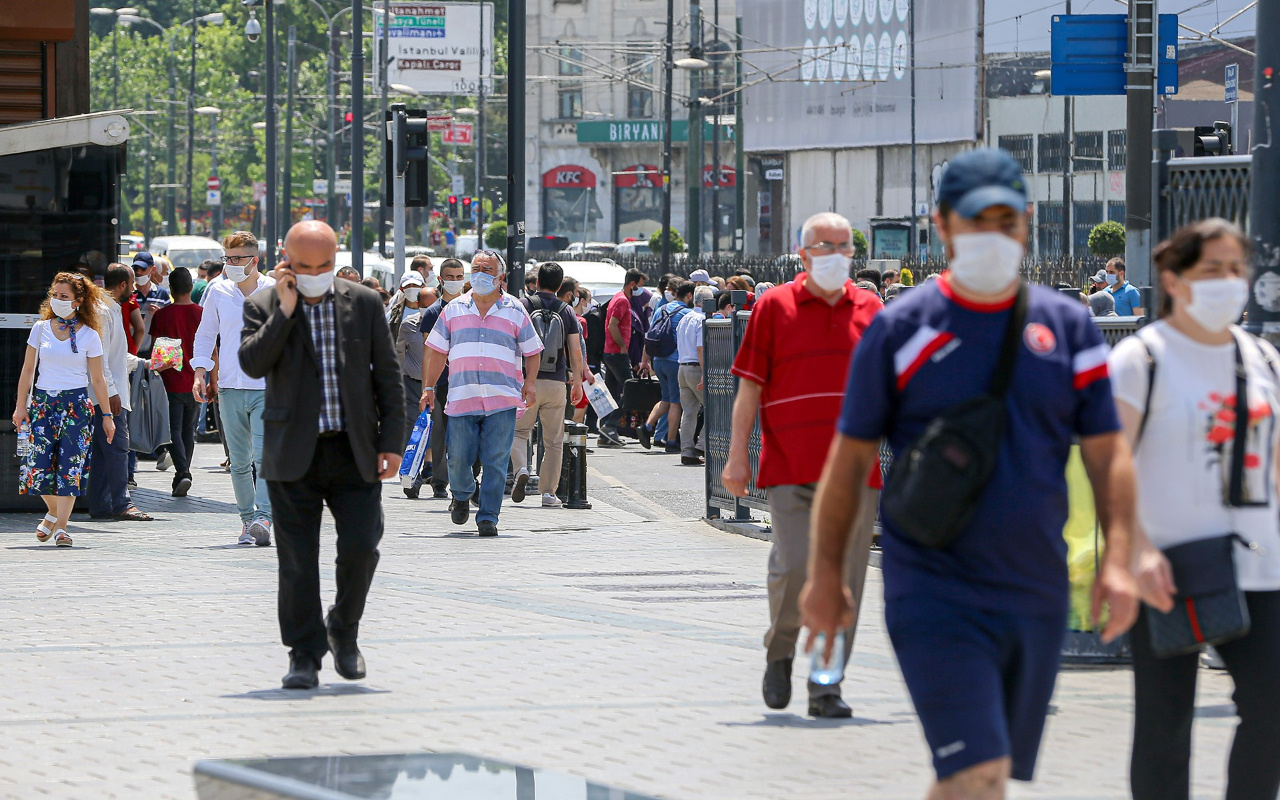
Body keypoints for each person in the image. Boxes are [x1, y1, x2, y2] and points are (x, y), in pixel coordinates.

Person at [801, 148, 1139, 798]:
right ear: (943, 226)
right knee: (975, 772)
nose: (993, 233)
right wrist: (823, 578)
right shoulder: (901, 329)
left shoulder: (1068, 328)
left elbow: (1109, 455)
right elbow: (846, 467)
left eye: (1006, 219)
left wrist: (1120, 557)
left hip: (1034, 590)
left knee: (980, 777)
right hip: (934, 586)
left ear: (1027, 222)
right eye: (976, 219)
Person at [1109, 218, 1280, 800]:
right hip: (1167, 565)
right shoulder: (1142, 358)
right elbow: (1112, 462)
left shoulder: (1262, 359)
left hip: (1258, 564)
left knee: (1270, 710)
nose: (1228, 283)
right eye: (1212, 270)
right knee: (1165, 724)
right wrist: (1136, 549)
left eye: (1236, 269)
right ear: (1174, 279)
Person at [723, 211, 884, 719]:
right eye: (824, 245)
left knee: (845, 581)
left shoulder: (872, 309)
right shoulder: (774, 306)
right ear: (803, 254)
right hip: (790, 468)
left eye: (843, 245)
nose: (834, 254)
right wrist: (734, 457)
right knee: (793, 569)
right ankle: (781, 650)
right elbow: (749, 385)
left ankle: (825, 683)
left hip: (856, 475)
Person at [239, 220, 405, 690]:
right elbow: (252, 362)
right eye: (305, 266)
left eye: (325, 265)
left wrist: (392, 443)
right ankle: (304, 654)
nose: (316, 273)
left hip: (354, 450)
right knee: (296, 559)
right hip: (293, 451)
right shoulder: (263, 304)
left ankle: (344, 630)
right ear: (286, 261)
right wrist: (286, 312)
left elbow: (388, 377)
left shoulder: (365, 303)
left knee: (360, 547)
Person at [421, 250, 543, 536]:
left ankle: (488, 516)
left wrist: (531, 383)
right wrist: (428, 387)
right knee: (459, 457)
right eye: (475, 268)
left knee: (496, 461)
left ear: (500, 276)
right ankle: (462, 495)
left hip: (502, 398)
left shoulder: (515, 309)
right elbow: (437, 351)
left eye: (486, 269)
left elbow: (533, 351)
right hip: (462, 397)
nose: (479, 274)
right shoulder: (454, 309)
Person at [12, 272, 115, 547]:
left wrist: (107, 415)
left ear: (78, 301)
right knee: (36, 466)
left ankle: (61, 528)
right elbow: (27, 370)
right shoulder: (40, 328)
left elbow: (97, 379)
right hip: (43, 404)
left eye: (64, 296)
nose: (57, 300)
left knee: (70, 467)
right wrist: (20, 406)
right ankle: (52, 514)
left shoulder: (90, 335)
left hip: (77, 406)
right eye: (55, 295)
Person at [192, 231, 275, 546]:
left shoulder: (274, 291)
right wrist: (200, 372)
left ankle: (264, 518)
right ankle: (246, 521)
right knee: (239, 461)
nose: (232, 264)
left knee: (265, 458)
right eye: (228, 258)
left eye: (238, 258)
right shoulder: (217, 291)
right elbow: (205, 334)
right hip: (229, 384)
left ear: (255, 259)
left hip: (267, 386)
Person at [510, 262, 585, 508]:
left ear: (537, 281)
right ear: (560, 283)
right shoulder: (566, 311)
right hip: (556, 382)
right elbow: (574, 350)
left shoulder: (522, 305)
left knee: (519, 433)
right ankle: (548, 493)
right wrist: (577, 382)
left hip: (525, 381)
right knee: (553, 441)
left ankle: (521, 469)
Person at [88, 264, 151, 522]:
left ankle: (101, 505)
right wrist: (111, 392)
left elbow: (114, 358)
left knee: (106, 451)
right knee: (118, 449)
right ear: (123, 284)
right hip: (107, 394)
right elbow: (99, 358)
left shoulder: (109, 310)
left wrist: (146, 363)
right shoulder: (103, 312)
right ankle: (122, 503)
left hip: (107, 391)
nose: (135, 288)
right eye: (132, 282)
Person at [149, 265, 203, 497]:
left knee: (173, 431)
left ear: (170, 289)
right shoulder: (202, 314)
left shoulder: (162, 315)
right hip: (196, 381)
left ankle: (183, 472)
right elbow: (212, 350)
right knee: (188, 431)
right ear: (191, 287)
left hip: (169, 382)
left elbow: (155, 351)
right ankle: (183, 472)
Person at [418, 259, 468, 500]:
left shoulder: (472, 308)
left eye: (459, 277)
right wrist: (426, 386)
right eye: (450, 277)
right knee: (439, 435)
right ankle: (440, 480)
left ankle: (468, 478)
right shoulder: (433, 312)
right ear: (440, 280)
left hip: (467, 382)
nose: (455, 281)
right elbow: (428, 352)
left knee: (465, 435)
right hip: (442, 383)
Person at [637, 280, 694, 452]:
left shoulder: (662, 309)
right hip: (674, 361)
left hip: (659, 360)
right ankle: (670, 442)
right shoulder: (687, 313)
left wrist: (645, 360)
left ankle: (647, 427)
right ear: (689, 295)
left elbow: (650, 335)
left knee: (666, 399)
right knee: (676, 403)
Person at [598, 269, 646, 447]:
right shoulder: (622, 301)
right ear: (632, 284)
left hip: (611, 352)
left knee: (612, 392)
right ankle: (610, 425)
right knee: (631, 391)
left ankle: (607, 430)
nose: (640, 290)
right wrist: (623, 347)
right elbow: (612, 326)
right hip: (616, 353)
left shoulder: (618, 298)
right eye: (639, 286)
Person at [675, 286, 713, 466]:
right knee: (714, 408)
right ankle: (702, 445)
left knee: (689, 412)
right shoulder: (701, 319)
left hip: (682, 367)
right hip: (696, 368)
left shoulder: (684, 318)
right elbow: (701, 348)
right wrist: (705, 373)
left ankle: (687, 451)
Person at [395, 270, 427, 454]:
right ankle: (411, 463)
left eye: (416, 286)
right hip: (410, 380)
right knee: (411, 422)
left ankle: (430, 463)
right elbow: (398, 350)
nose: (413, 290)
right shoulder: (397, 315)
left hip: (435, 381)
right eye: (408, 287)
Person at [131, 251, 171, 353]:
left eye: (143, 269)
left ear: (152, 270)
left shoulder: (162, 294)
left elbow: (169, 323)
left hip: (154, 351)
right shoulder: (129, 294)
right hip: (131, 350)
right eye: (136, 269)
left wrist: (159, 316)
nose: (139, 272)